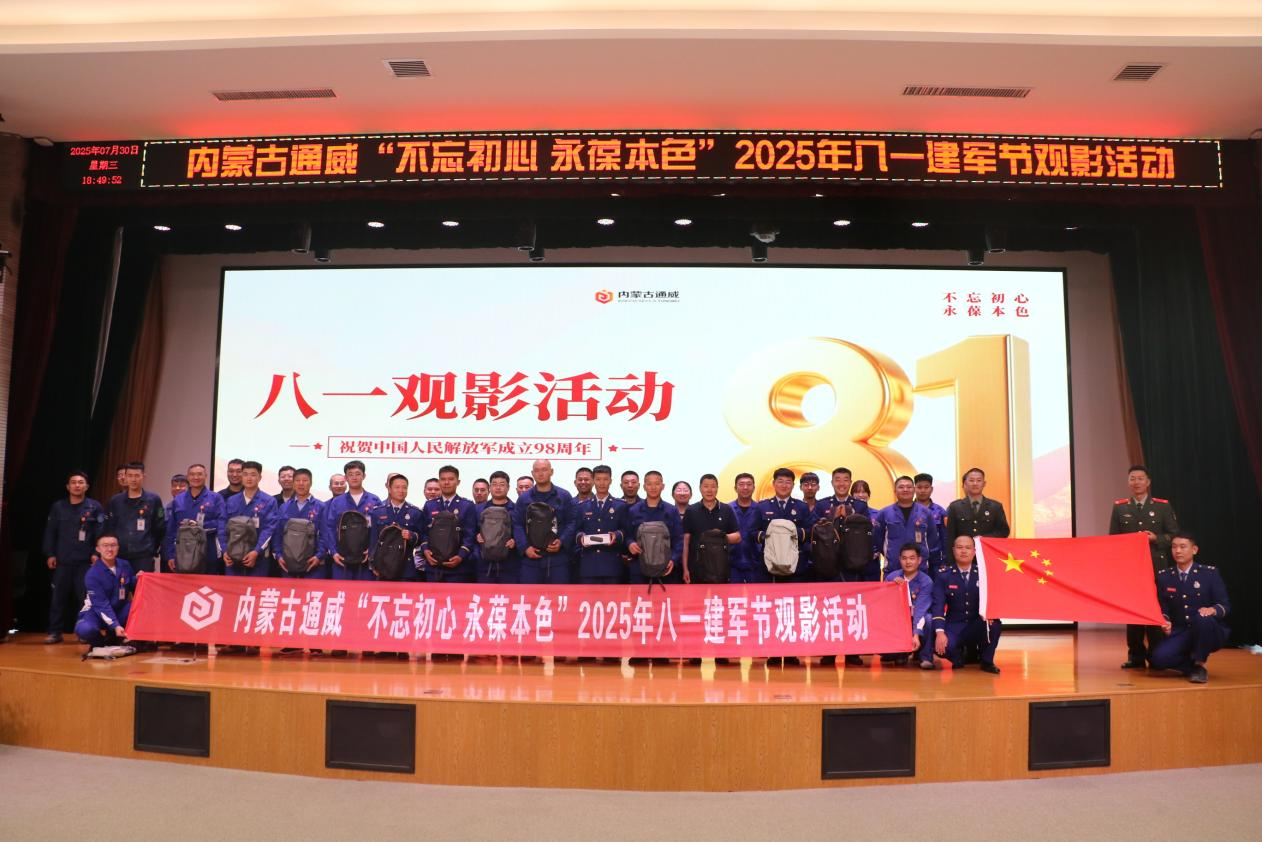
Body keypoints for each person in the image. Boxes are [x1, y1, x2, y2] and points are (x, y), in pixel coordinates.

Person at [1109, 464, 1179, 670]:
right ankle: (1136, 656)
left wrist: (1156, 538)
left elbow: (1174, 535)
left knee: (1155, 609)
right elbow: (1113, 540)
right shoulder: (1120, 507)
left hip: (1156, 565)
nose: (1136, 482)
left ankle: (1156, 655)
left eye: (1140, 478)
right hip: (1131, 568)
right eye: (1132, 478)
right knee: (1134, 611)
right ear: (1128, 482)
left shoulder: (1162, 506)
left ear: (1148, 482)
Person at [1150, 533, 1229, 684]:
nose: (1178, 551)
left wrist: (1212, 610)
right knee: (1157, 659)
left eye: (1183, 547)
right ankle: (1192, 667)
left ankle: (1200, 664)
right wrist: (1165, 621)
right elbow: (1163, 607)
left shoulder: (1209, 574)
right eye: (1174, 547)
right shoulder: (1164, 577)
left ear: (1194, 550)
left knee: (1202, 619)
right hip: (1181, 631)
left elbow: (1224, 605)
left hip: (1208, 629)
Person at [42, 471, 104, 643]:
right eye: (74, 482)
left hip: (85, 562)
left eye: (81, 482)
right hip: (63, 561)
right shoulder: (58, 507)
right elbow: (50, 532)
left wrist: (96, 553)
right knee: (58, 599)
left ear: (87, 486)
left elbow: (100, 533)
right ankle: (55, 632)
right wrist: (50, 554)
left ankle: (83, 632)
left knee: (84, 600)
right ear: (68, 487)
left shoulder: (94, 507)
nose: (77, 485)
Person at [931, 535, 1001, 673]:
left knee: (995, 624)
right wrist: (940, 632)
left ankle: (987, 661)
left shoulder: (983, 574)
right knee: (939, 644)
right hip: (954, 625)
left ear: (974, 552)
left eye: (968, 548)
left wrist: (991, 614)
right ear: (953, 550)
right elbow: (938, 605)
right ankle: (957, 657)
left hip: (977, 623)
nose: (963, 551)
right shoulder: (944, 575)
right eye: (960, 547)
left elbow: (993, 597)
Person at [512, 459, 576, 585]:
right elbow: (517, 524)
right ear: (532, 473)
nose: (540, 474)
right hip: (531, 560)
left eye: (544, 470)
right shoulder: (524, 498)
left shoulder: (563, 496)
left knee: (559, 596)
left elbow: (571, 522)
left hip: (558, 559)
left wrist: (562, 541)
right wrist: (525, 548)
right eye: (536, 471)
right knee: (530, 596)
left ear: (551, 472)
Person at [322, 460, 383, 581]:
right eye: (350, 474)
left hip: (366, 559)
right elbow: (329, 528)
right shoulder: (337, 502)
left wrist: (372, 550)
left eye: (358, 474)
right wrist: (334, 552)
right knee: (341, 591)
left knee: (365, 591)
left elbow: (380, 528)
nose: (354, 477)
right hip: (341, 558)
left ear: (364, 476)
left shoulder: (374, 500)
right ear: (346, 478)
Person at [218, 460, 278, 578]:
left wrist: (256, 552)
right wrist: (224, 550)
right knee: (233, 588)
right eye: (245, 474)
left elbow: (269, 530)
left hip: (258, 557)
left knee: (255, 588)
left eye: (253, 475)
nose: (249, 478)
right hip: (232, 556)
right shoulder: (231, 501)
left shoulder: (269, 501)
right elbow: (222, 526)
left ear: (260, 477)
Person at [104, 461, 165, 575]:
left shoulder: (154, 500)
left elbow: (159, 527)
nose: (133, 479)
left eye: (137, 475)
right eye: (130, 476)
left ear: (143, 477)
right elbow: (109, 527)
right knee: (120, 585)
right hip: (120, 554)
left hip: (143, 556)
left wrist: (152, 548)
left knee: (141, 585)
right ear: (125, 477)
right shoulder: (115, 501)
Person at [420, 464, 479, 582]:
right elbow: (424, 532)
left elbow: (470, 535)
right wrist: (425, 550)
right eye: (443, 479)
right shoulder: (430, 505)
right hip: (433, 566)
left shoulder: (467, 505)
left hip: (458, 569)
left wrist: (461, 556)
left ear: (458, 482)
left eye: (451, 479)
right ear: (439, 482)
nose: (446, 482)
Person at [164, 463, 225, 575]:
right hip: (183, 551)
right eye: (192, 474)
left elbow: (221, 523)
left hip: (208, 549)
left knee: (208, 583)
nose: (196, 477)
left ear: (206, 476)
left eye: (199, 474)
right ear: (188, 477)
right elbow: (171, 530)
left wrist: (200, 525)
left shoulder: (216, 498)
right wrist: (171, 555)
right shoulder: (178, 499)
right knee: (185, 584)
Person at [74, 534, 134, 647]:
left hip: (119, 609)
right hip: (96, 611)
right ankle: (101, 644)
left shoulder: (124, 565)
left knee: (139, 607)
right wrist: (115, 625)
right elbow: (101, 605)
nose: (110, 549)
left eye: (113, 545)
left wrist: (141, 578)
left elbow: (132, 584)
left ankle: (114, 638)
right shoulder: (92, 574)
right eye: (105, 545)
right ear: (98, 549)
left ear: (118, 547)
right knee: (84, 629)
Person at [754, 467, 813, 582]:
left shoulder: (802, 506)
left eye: (788, 482)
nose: (784, 485)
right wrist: (768, 536)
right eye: (780, 481)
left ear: (793, 485)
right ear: (774, 484)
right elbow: (753, 532)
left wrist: (792, 534)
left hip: (796, 563)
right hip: (769, 563)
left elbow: (810, 531)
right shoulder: (762, 506)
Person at [873, 476, 938, 578]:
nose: (905, 489)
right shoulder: (884, 513)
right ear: (895, 491)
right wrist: (891, 554)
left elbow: (932, 541)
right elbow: (878, 540)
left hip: (920, 570)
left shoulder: (926, 513)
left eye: (909, 487)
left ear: (914, 490)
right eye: (901, 487)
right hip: (892, 570)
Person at [681, 474, 741, 584]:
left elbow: (737, 537)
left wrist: (719, 538)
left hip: (720, 567)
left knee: (721, 595)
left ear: (717, 488)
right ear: (700, 488)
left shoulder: (726, 509)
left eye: (713, 486)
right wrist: (685, 569)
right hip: (696, 568)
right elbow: (685, 542)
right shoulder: (691, 510)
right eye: (706, 486)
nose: (709, 490)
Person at [626, 470, 683, 586]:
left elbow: (679, 539)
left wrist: (673, 559)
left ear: (663, 486)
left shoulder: (671, 511)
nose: (653, 487)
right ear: (644, 487)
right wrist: (630, 543)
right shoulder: (633, 510)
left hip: (666, 568)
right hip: (639, 569)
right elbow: (627, 535)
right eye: (649, 484)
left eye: (657, 483)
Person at [883, 543, 935, 668]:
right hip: (898, 619)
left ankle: (925, 657)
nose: (908, 562)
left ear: (919, 560)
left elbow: (920, 610)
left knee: (928, 619)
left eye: (912, 558)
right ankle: (901, 653)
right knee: (886, 654)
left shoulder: (926, 581)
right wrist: (893, 588)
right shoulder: (891, 577)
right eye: (904, 558)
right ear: (899, 559)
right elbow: (884, 604)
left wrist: (916, 634)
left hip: (917, 618)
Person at [573, 465, 628, 584]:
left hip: (612, 565)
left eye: (605, 479)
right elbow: (576, 530)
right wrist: (580, 537)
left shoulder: (620, 505)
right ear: (593, 481)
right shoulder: (582, 506)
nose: (602, 483)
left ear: (610, 481)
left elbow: (626, 530)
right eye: (598, 479)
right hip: (589, 565)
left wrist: (616, 535)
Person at [271, 468, 325, 578]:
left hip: (312, 562)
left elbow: (325, 534)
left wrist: (319, 556)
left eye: (305, 480)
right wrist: (279, 555)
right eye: (297, 480)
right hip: (287, 563)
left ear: (311, 483)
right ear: (293, 483)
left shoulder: (320, 507)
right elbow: (277, 534)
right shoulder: (284, 507)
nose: (301, 484)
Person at [369, 474, 422, 581]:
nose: (401, 490)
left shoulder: (415, 512)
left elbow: (422, 538)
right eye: (397, 487)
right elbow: (372, 540)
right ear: (389, 489)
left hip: (406, 568)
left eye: (404, 487)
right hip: (383, 566)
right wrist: (372, 563)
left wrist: (411, 536)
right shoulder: (377, 512)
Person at [944, 468, 1011, 544]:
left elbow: (1004, 531)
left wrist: (983, 539)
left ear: (984, 483)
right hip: (963, 550)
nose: (975, 483)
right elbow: (950, 536)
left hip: (986, 549)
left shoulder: (995, 507)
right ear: (965, 483)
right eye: (971, 480)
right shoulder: (955, 507)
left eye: (979, 480)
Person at [476, 471, 520, 584]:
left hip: (509, 565)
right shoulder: (478, 509)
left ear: (508, 487)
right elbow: (469, 532)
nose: (498, 487)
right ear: (490, 487)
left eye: (502, 484)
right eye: (494, 484)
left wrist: (515, 541)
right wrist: (476, 537)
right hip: (484, 565)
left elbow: (522, 531)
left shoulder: (516, 509)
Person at [728, 472, 767, 584]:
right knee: (733, 594)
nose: (745, 487)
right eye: (741, 484)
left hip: (756, 563)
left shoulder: (761, 509)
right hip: (732, 564)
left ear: (754, 487)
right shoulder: (727, 509)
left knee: (757, 594)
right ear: (735, 488)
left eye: (749, 484)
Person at [913, 472, 948, 570]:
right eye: (919, 487)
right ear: (914, 489)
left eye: (926, 487)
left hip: (935, 558)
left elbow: (945, 537)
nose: (923, 490)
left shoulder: (940, 511)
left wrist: (945, 560)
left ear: (931, 489)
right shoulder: (908, 509)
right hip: (912, 557)